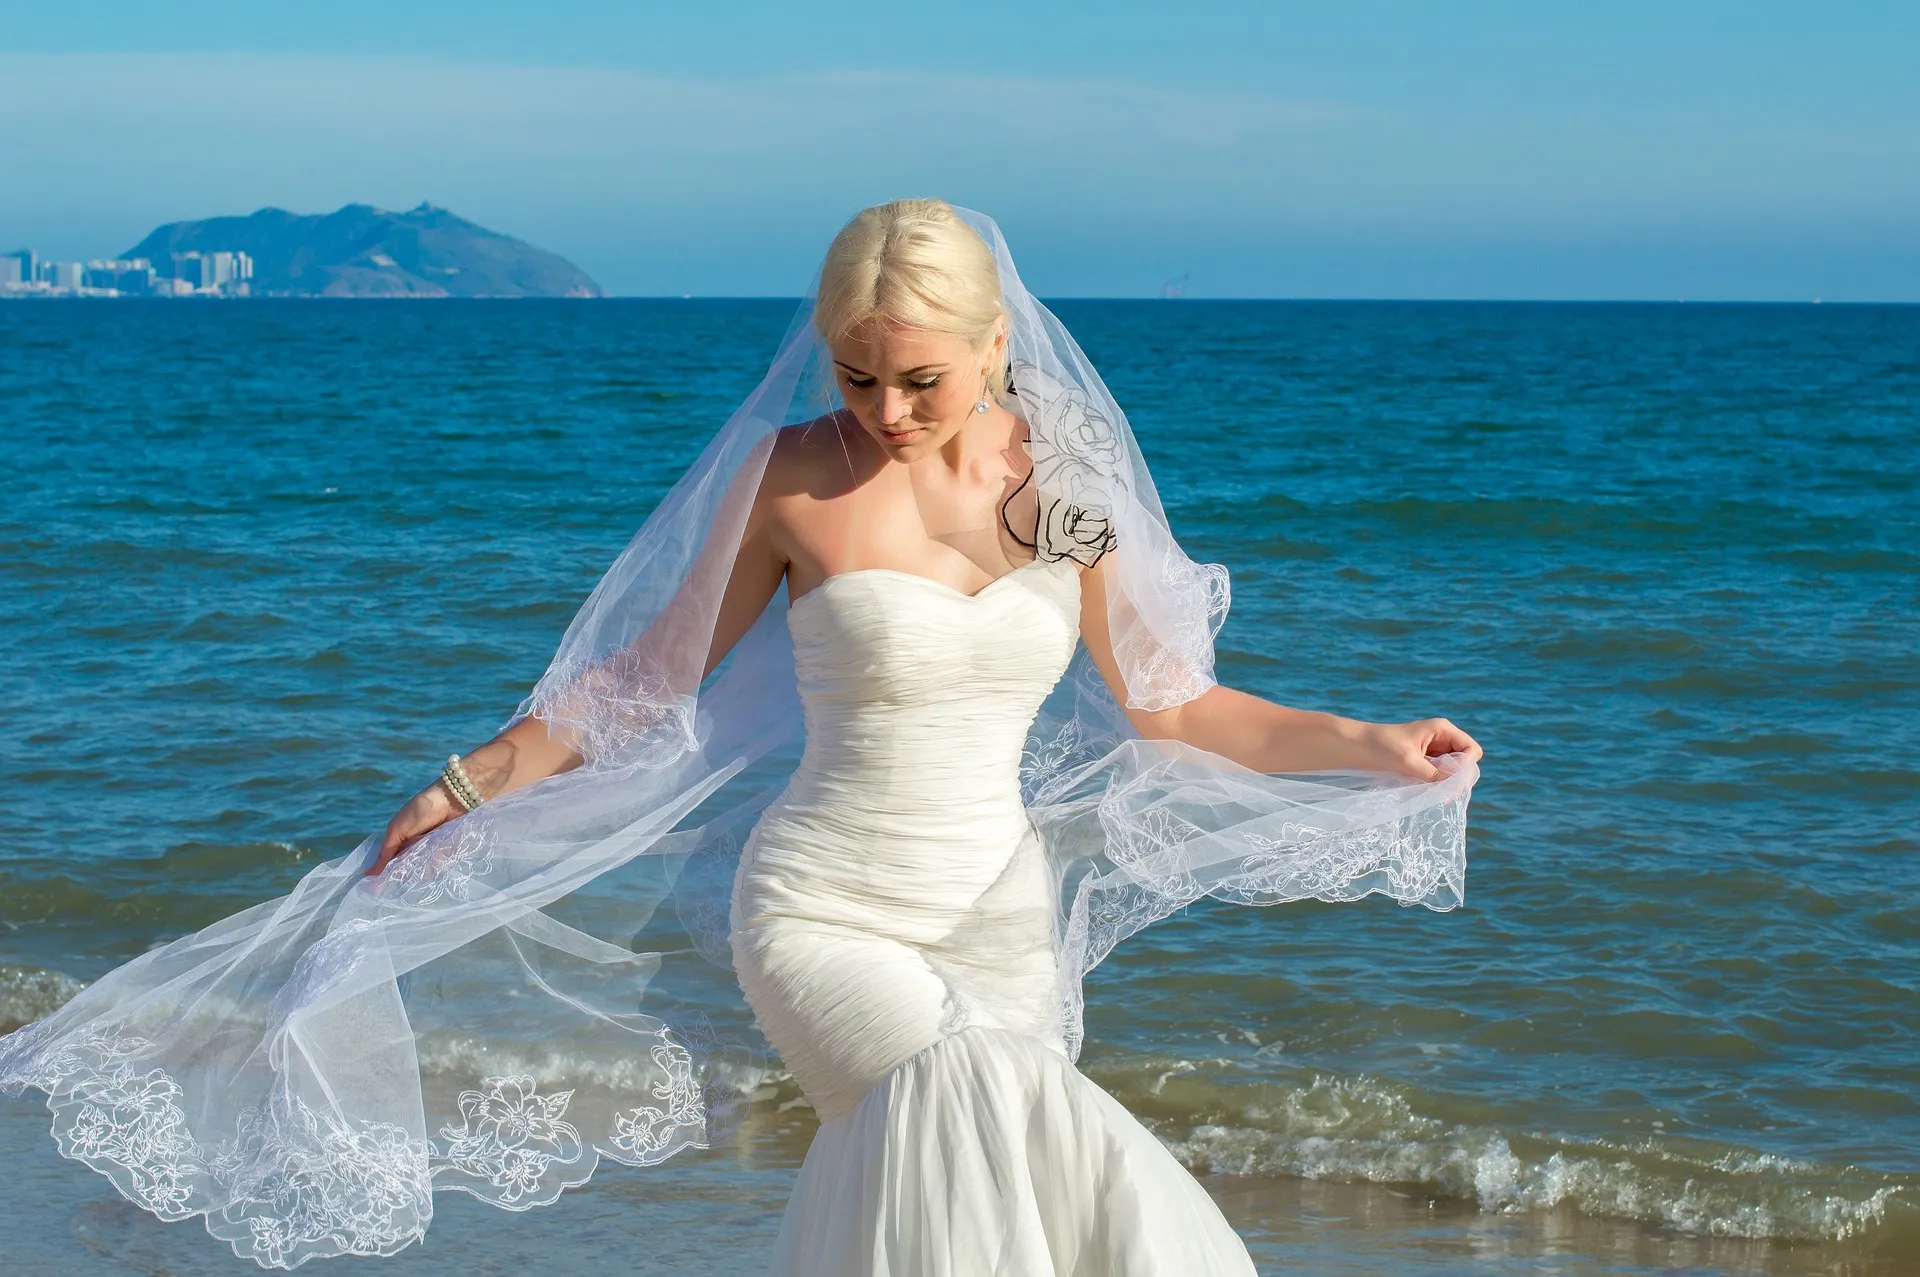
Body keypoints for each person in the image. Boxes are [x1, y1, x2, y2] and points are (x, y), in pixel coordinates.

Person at [1, 200, 1480, 1272]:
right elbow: (639, 684)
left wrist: (1368, 739)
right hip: (823, 909)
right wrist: (467, 781)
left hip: (998, 923)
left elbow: (1172, 707)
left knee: (961, 1200)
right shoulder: (787, 482)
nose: (885, 409)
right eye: (854, 372)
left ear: (993, 348)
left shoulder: (1068, 497)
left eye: (921, 377)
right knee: (967, 1120)